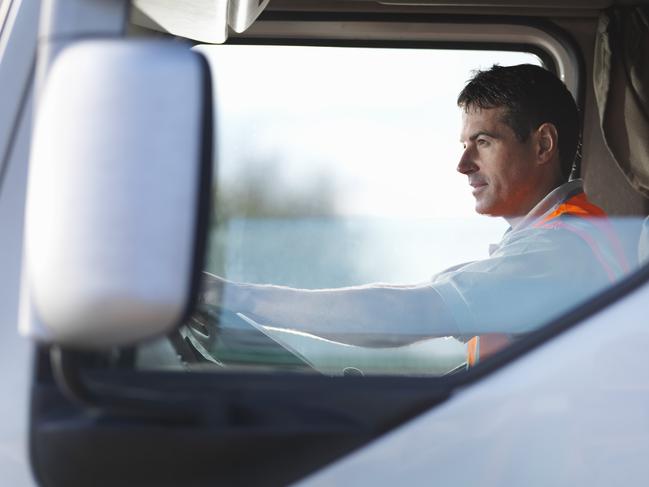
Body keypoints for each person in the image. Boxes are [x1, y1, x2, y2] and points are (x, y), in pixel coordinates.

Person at [192, 64, 629, 365]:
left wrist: (235, 298)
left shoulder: (558, 251)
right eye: (464, 146)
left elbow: (398, 314)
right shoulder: (566, 235)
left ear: (543, 145)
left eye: (484, 142)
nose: (463, 165)